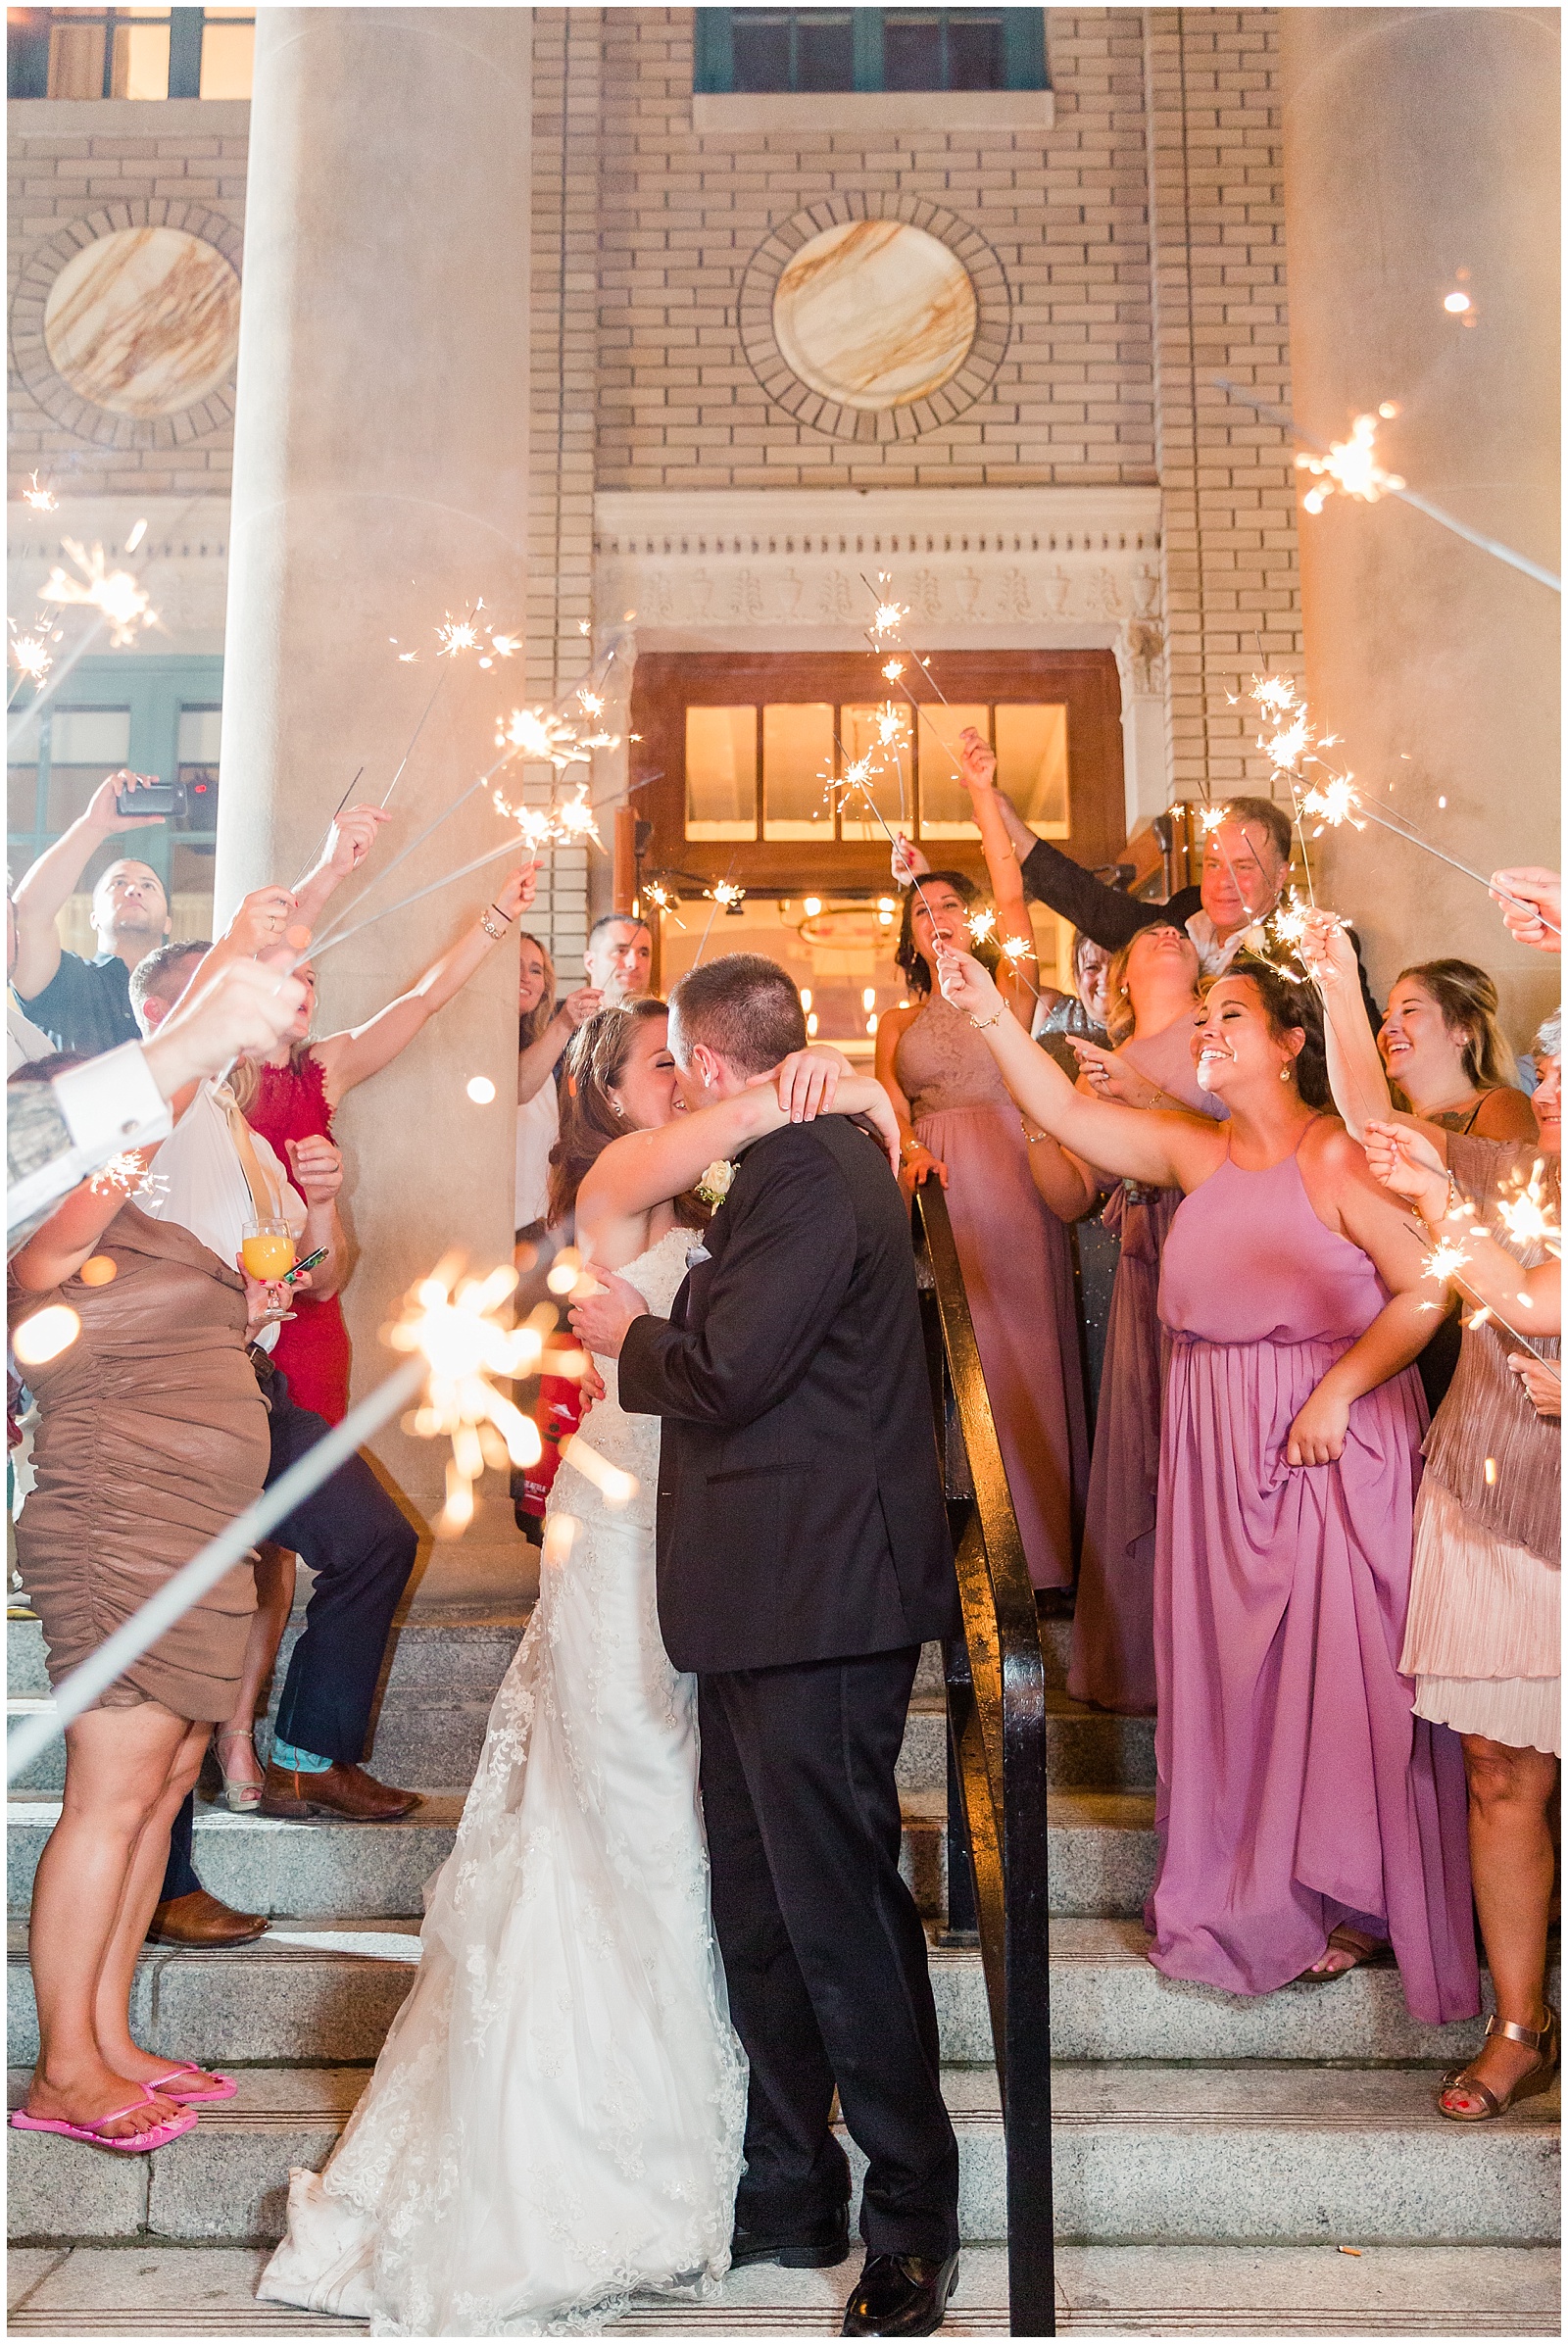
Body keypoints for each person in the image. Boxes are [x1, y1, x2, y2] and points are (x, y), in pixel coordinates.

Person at [259, 995, 898, 2331]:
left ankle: (752, 2151)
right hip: (624, 1527)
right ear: (622, 1081)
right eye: (660, 1059)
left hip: (721, 1530)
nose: (688, 1079)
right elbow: (745, 1111)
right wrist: (838, 1082)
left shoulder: (742, 1198)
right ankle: (628, 2144)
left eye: (692, 1057)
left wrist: (844, 1095)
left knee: (707, 1840)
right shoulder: (614, 1180)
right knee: (625, 1810)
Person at [936, 939, 1478, 2024]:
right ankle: (1250, 1884)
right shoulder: (1193, 1152)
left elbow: (1430, 1290)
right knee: (1232, 1682)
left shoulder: (1333, 1155)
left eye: (1231, 1017)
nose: (1208, 1033)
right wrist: (989, 1009)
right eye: (1204, 1021)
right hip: (1212, 1444)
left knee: (1333, 1679)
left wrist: (1337, 1393)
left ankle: (1348, 1899)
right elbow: (1073, 1117)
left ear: (1287, 1045)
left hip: (1325, 1440)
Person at [573, 955, 963, 2342]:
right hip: (761, 1600)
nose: (672, 1089)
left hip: (821, 1601)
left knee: (841, 1916)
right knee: (763, 1913)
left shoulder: (807, 1173)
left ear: (709, 1062)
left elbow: (730, 1369)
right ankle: (791, 2185)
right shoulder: (797, 1156)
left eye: (677, 1065)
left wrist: (630, 1334)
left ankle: (914, 2218)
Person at [1304, 911, 1559, 2120]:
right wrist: (1330, 983)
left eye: (1561, 1066)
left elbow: (1530, 1296)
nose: (1543, 1083)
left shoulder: (1499, 1142)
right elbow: (1374, 1129)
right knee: (1498, 1767)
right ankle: (1520, 2022)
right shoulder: (1479, 1154)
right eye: (1546, 1064)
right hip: (1487, 1466)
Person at [8, 1067, 285, 2152]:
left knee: (164, 1785)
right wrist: (154, 1091)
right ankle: (63, 2069)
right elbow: (60, 1263)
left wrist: (249, 1311)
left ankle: (110, 2039)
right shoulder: (45, 1219)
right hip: (116, 1523)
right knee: (111, 1792)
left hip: (193, 1524)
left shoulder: (139, 1218)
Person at [127, 945, 419, 1840]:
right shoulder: (137, 1122)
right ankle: (166, 1873)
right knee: (189, 1617)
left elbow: (315, 1278)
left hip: (256, 1381)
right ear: (162, 1019)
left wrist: (322, 1211)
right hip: (169, 1391)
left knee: (374, 1537)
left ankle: (304, 1754)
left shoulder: (248, 1137)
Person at [878, 844, 1087, 1594]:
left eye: (951, 907)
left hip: (1011, 1172)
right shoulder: (895, 1020)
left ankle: (1036, 1557)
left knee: (1018, 1348)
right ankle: (956, 1555)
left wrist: (980, 793)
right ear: (908, 935)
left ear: (976, 924)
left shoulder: (1009, 988)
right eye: (922, 910)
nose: (937, 919)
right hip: (935, 1182)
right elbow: (892, 1111)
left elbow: (1017, 902)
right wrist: (909, 1151)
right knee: (945, 1356)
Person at [1042, 922, 1224, 1717]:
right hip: (1146, 1277)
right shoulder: (1094, 1068)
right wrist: (1034, 1113)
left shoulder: (1225, 1031)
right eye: (1143, 932)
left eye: (1172, 929)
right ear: (1115, 978)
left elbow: (1249, 1139)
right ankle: (1145, 1668)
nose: (1161, 930)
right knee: (1147, 1453)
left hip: (1225, 1261)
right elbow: (1071, 1194)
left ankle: (1220, 1661)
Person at [10, 770, 386, 1055]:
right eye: (117, 883)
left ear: (168, 920)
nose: (133, 888)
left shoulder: (202, 970)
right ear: (93, 918)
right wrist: (93, 826)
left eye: (149, 885)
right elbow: (27, 916)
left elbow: (275, 948)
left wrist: (330, 868)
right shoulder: (67, 983)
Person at [7, 956, 308, 1254]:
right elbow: (181, 1058)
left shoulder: (238, 1126)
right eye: (210, 990)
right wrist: (245, 930)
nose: (233, 1005)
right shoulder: (162, 1112)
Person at [1377, 960, 1537, 1141]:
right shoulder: (1388, 1122)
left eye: (1409, 1010)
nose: (1387, 1028)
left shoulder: (1503, 1106)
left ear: (1464, 1030)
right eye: (1386, 1017)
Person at [514, 929, 598, 1243]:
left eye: (535, 970)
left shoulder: (543, 1057)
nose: (526, 977)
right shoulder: (488, 1053)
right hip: (498, 1229)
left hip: (539, 1227)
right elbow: (518, 1087)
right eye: (515, 965)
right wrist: (564, 1023)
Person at [584, 908, 653, 1002]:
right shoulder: (562, 1016)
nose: (633, 963)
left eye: (643, 954)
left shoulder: (667, 1016)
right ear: (590, 962)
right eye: (621, 951)